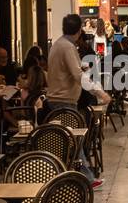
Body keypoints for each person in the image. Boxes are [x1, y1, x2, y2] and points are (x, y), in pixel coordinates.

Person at [46, 14, 110, 187]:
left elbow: (66, 70)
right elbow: (78, 76)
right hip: (64, 101)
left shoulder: (58, 44)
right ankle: (86, 179)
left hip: (58, 99)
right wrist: (100, 93)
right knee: (74, 140)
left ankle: (81, 177)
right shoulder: (67, 47)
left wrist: (80, 67)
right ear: (78, 30)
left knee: (71, 140)